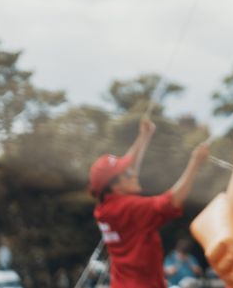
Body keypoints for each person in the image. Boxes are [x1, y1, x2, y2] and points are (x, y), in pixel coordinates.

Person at [89, 117, 210, 288]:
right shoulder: (130, 208)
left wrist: (143, 136)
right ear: (115, 186)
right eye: (127, 172)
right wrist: (195, 162)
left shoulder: (104, 208)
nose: (133, 173)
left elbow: (130, 168)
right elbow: (172, 200)